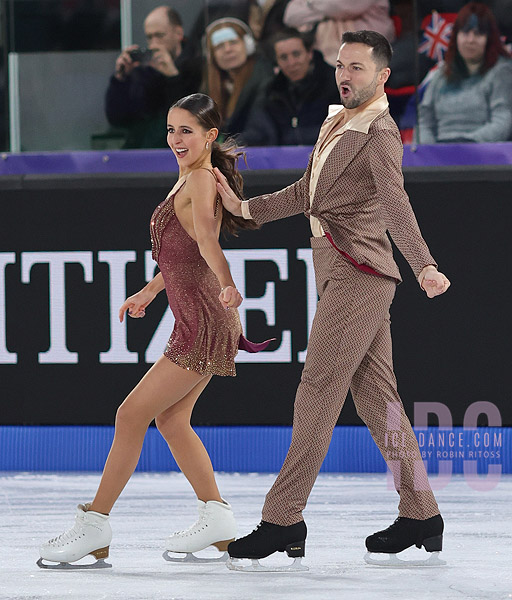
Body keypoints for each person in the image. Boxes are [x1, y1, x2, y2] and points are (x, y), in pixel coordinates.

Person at [215, 30, 451, 571]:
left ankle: (283, 518)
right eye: (341, 66)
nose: (346, 76)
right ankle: (422, 513)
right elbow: (306, 194)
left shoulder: (379, 133)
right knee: (378, 400)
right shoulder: (337, 121)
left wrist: (425, 264)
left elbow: (397, 205)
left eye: (358, 68)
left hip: (360, 276)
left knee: (317, 390)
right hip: (338, 273)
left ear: (383, 76)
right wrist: (245, 210)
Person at [38, 93, 269, 569]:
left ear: (209, 136)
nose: (175, 139)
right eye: (170, 130)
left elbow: (206, 236)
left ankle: (95, 523)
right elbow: (180, 255)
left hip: (206, 320)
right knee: (170, 420)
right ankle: (217, 516)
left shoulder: (202, 178)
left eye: (186, 130)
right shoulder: (189, 176)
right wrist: (148, 291)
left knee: (130, 415)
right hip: (201, 316)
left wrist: (228, 284)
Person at [105, 6, 202, 149]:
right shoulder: (144, 71)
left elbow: (192, 118)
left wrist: (172, 76)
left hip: (179, 150)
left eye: (159, 35)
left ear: (178, 33)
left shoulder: (197, 66)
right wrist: (121, 80)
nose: (154, 43)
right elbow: (117, 119)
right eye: (149, 37)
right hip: (142, 149)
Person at [418, 2, 512, 143]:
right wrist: (432, 152)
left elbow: (502, 121)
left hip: (484, 157)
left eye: (478, 34)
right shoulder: (440, 74)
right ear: (456, 37)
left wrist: (465, 146)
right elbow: (424, 121)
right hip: (439, 157)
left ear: (489, 39)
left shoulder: (501, 72)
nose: (470, 40)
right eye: (465, 32)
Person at [241, 28, 339, 146]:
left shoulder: (336, 84)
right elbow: (257, 131)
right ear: (277, 61)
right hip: (282, 161)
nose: (291, 63)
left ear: (310, 53)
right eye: (283, 57)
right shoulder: (270, 91)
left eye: (296, 54)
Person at [203, 17, 273, 140]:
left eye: (233, 42)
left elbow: (258, 130)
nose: (228, 50)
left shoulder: (264, 77)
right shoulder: (211, 85)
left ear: (248, 45)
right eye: (219, 46)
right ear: (211, 55)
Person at [283, 0, 395, 66]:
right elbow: (291, 16)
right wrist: (327, 10)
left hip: (369, 53)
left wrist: (310, 4)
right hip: (325, 59)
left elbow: (340, 6)